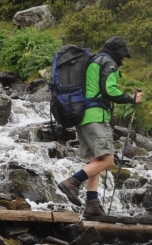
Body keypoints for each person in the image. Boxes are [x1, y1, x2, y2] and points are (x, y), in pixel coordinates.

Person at [58, 36, 142, 216]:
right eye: (123, 56)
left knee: (95, 161)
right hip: (95, 116)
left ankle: (92, 205)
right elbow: (108, 90)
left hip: (82, 116)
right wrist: (130, 98)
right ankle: (72, 182)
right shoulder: (108, 63)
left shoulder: (94, 61)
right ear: (117, 52)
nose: (123, 60)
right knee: (107, 160)